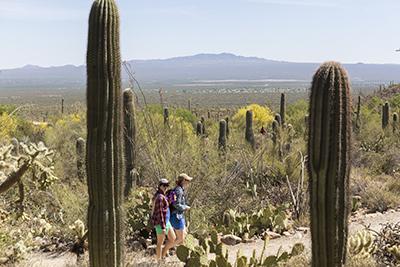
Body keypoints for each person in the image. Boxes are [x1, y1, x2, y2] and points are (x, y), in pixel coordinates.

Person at [151, 178, 176, 261]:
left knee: (173, 239)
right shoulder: (159, 197)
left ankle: (163, 255)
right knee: (160, 243)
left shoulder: (162, 195)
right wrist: (163, 227)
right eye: (164, 185)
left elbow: (165, 206)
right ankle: (158, 261)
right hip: (161, 223)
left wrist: (171, 199)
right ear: (159, 186)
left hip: (166, 221)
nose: (165, 187)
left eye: (167, 185)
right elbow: (160, 213)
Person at [170, 173, 192, 245]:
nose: (188, 182)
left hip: (178, 215)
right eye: (187, 180)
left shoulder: (179, 189)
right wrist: (185, 207)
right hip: (177, 216)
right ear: (183, 181)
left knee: (183, 235)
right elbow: (176, 204)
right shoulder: (178, 190)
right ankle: (165, 249)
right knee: (180, 238)